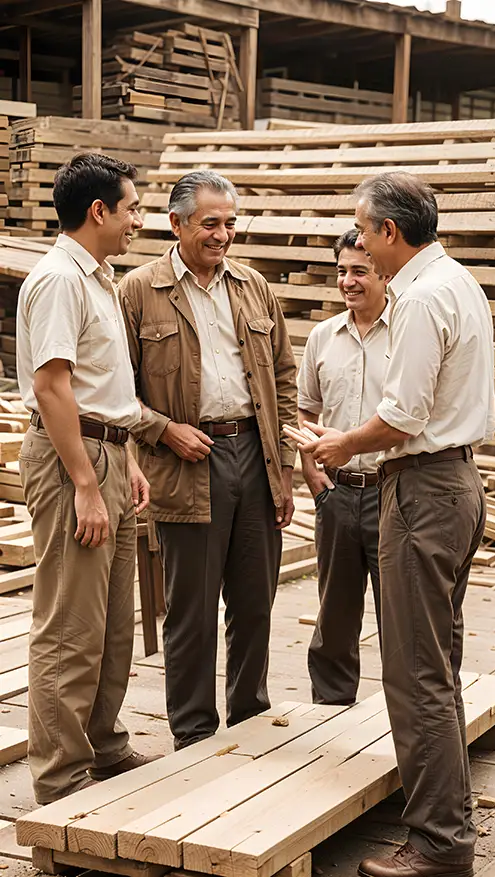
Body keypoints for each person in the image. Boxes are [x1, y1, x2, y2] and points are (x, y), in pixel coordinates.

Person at [288, 172, 495, 877]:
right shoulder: (459, 282)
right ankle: (449, 822)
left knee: (414, 671)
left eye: (364, 230)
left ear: (390, 233)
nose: (362, 250)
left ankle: (439, 843)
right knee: (435, 661)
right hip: (456, 482)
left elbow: (404, 415)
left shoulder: (420, 298)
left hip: (423, 488)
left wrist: (340, 443)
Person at [119, 169, 297, 751]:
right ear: (176, 224)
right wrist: (164, 430)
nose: (222, 236)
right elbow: (114, 388)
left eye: (230, 224)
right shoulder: (139, 291)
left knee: (254, 603)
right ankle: (194, 738)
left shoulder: (253, 286)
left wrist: (284, 469)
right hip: (187, 462)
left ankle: (250, 724)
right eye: (210, 224)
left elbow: (285, 379)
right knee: (190, 613)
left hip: (254, 454)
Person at [17, 153, 159, 805]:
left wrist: (124, 457)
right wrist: (83, 481)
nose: (138, 219)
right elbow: (52, 387)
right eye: (132, 207)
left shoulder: (98, 276)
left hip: (107, 451)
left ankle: (103, 745)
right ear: (98, 210)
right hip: (73, 459)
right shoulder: (57, 280)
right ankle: (60, 777)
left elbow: (102, 383)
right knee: (70, 624)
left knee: (111, 623)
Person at [298, 228, 389, 706]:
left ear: (383, 272)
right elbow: (305, 411)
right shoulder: (322, 337)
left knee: (398, 615)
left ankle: (407, 721)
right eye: (341, 271)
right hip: (336, 493)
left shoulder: (406, 332)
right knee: (334, 613)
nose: (348, 282)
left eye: (359, 271)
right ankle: (330, 710)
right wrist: (314, 480)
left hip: (392, 492)